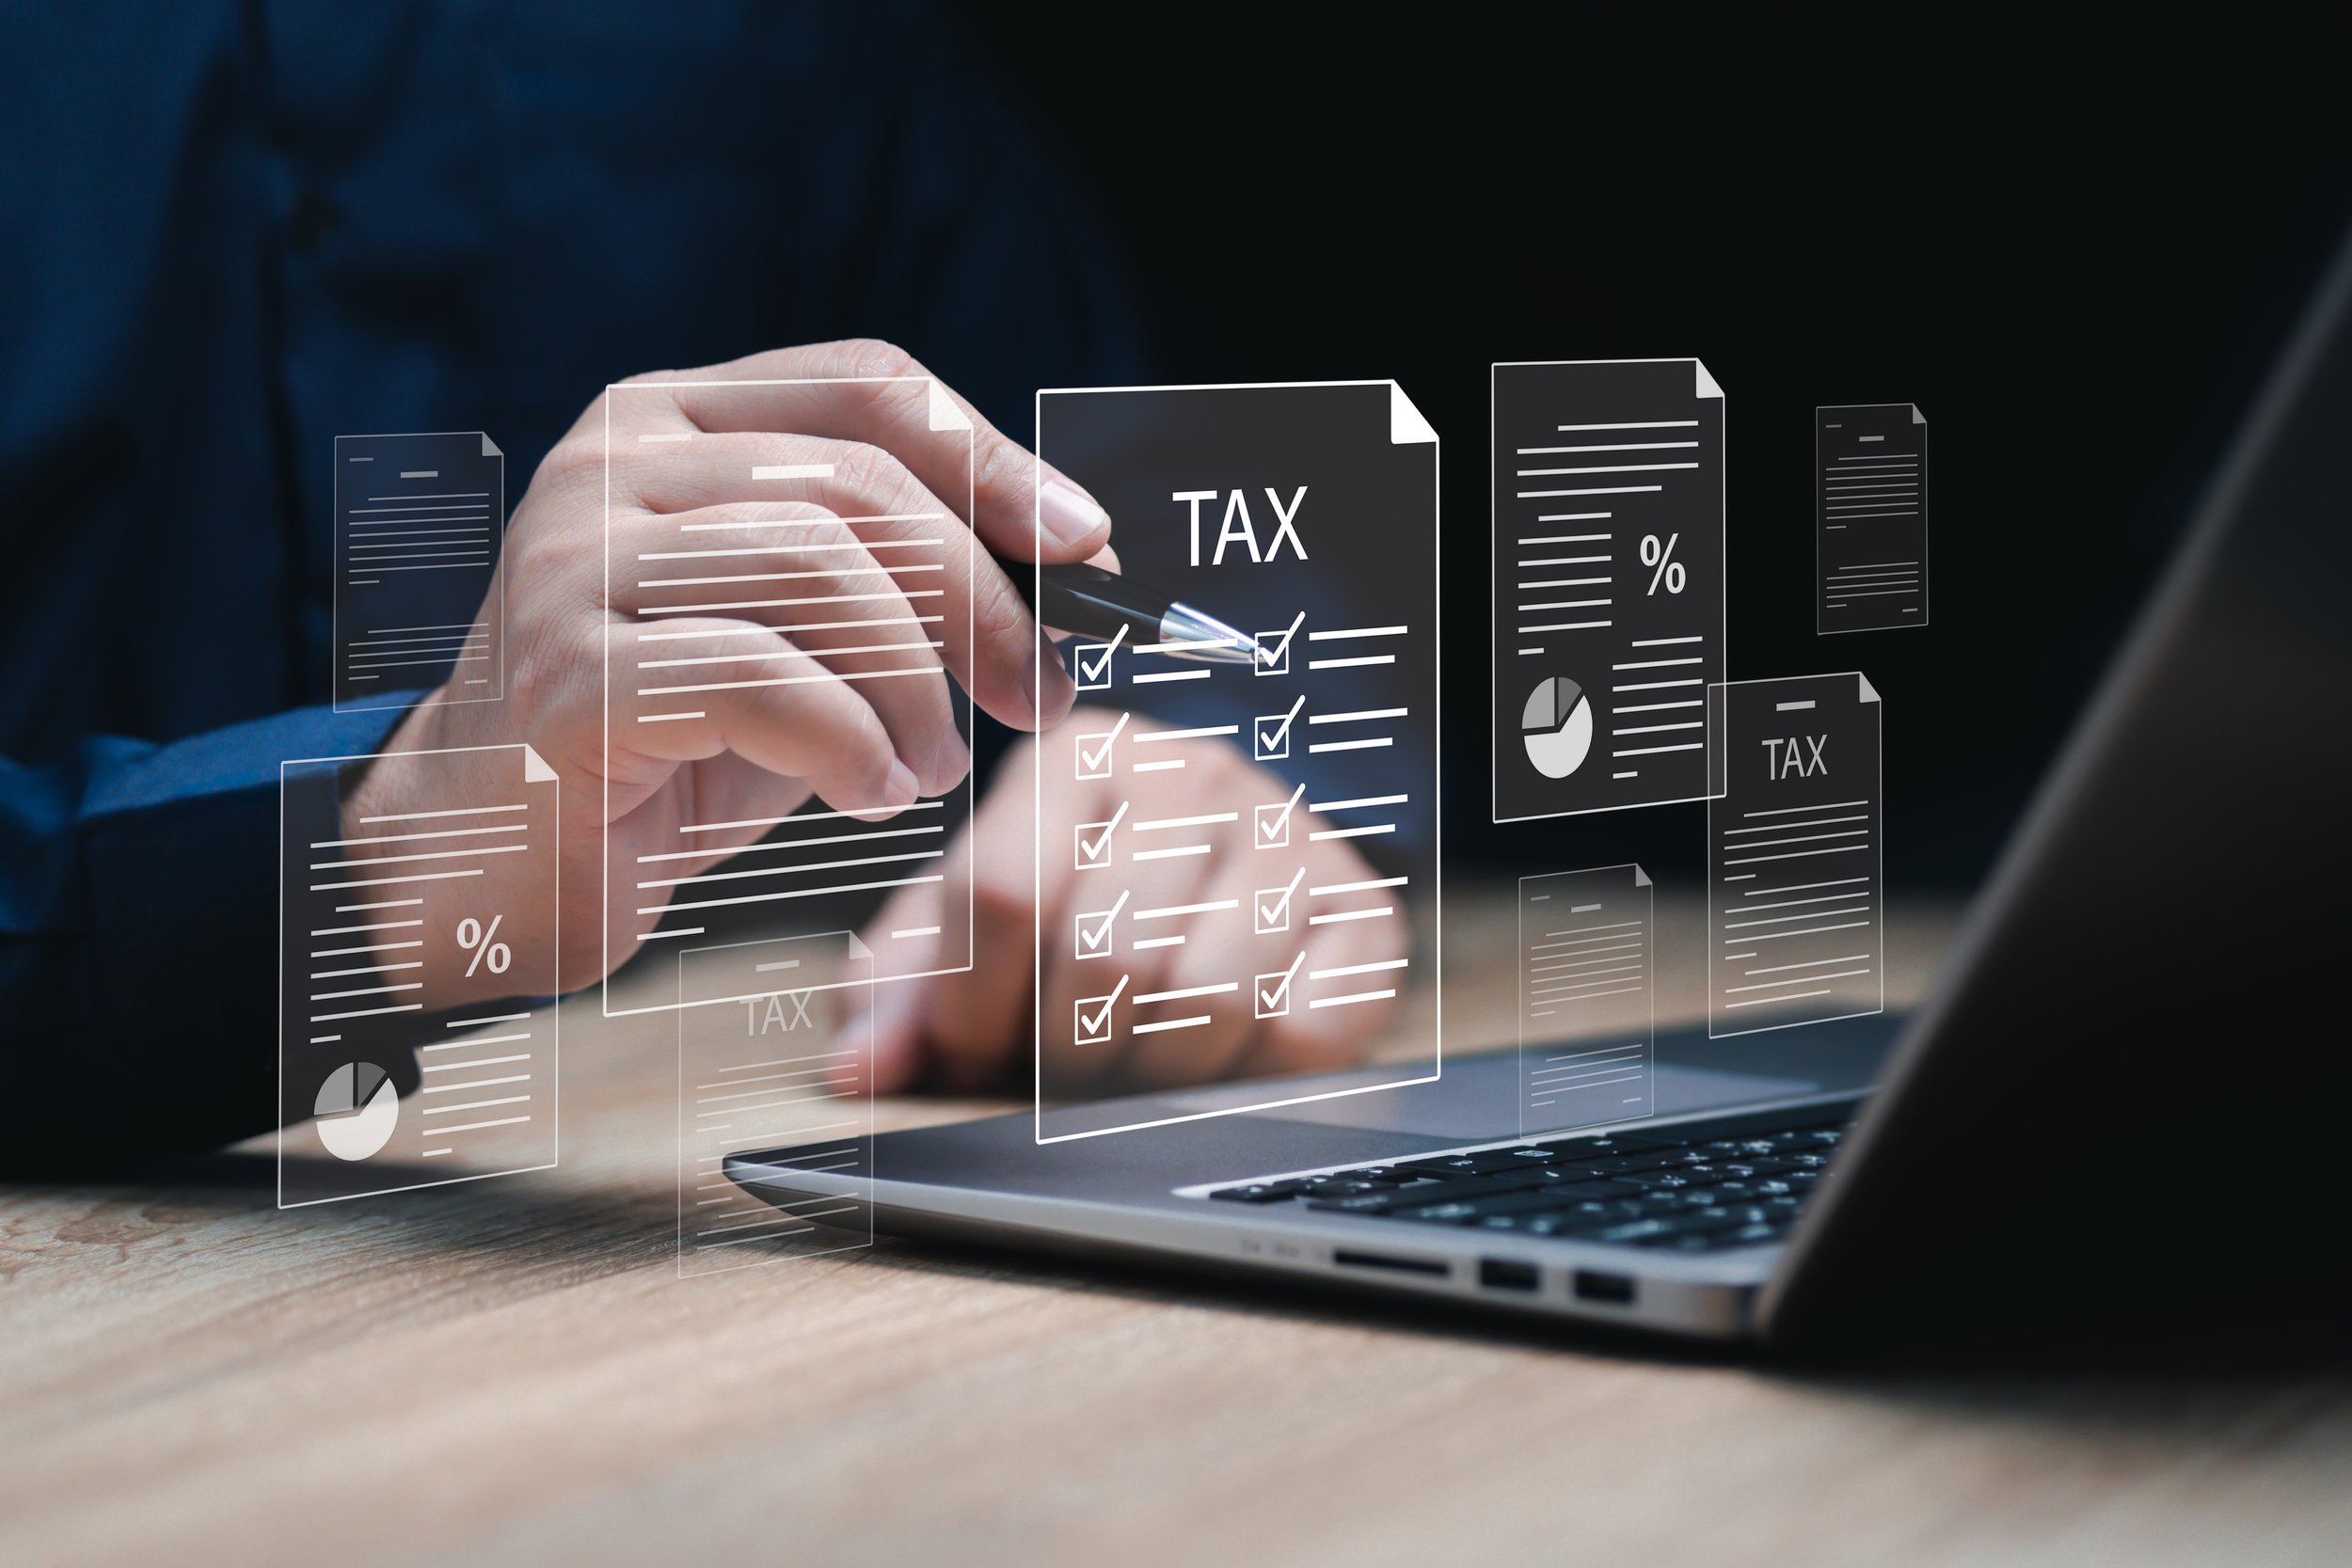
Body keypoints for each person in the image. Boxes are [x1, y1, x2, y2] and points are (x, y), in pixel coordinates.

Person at [0, 2, 1391, 1166]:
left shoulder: (805, 45)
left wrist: (1209, 779)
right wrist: (388, 851)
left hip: (729, 1186)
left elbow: (1168, 528)